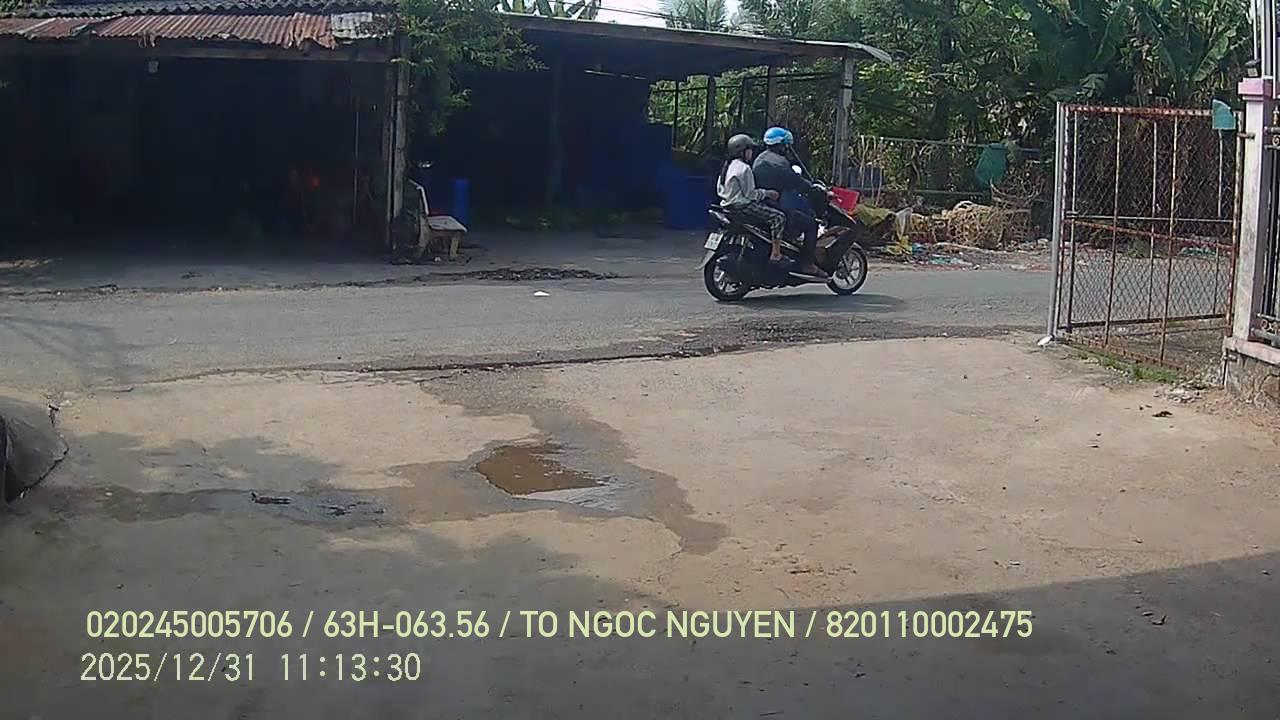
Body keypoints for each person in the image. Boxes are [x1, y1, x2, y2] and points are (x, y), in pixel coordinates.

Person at [753, 126, 827, 279]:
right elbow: (796, 181)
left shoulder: (760, 158)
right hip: (776, 206)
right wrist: (813, 189)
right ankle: (807, 264)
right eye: (786, 146)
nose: (787, 149)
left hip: (762, 204)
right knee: (811, 224)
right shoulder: (780, 163)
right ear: (781, 145)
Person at [716, 134, 788, 266]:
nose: (751, 153)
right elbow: (751, 195)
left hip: (726, 205)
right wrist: (767, 193)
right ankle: (776, 253)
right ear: (741, 151)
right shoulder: (744, 168)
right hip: (742, 207)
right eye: (749, 150)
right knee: (779, 217)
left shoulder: (727, 167)